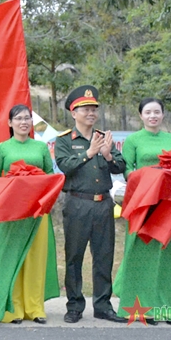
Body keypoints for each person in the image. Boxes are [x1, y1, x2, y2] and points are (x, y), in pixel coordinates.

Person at [55, 85, 126, 324]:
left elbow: (120, 166)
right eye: (85, 109)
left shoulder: (104, 138)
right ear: (73, 113)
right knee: (74, 256)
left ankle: (103, 305)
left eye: (93, 109)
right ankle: (74, 305)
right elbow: (65, 165)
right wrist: (89, 153)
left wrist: (106, 154)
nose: (91, 113)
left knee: (104, 256)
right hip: (77, 204)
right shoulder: (65, 140)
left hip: (103, 204)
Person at [0, 104, 59, 324]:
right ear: (10, 123)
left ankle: (35, 307)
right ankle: (14, 308)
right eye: (18, 119)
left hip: (37, 212)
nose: (23, 122)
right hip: (11, 212)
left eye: (27, 118)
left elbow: (49, 174)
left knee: (35, 258)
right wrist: (9, 188)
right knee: (12, 257)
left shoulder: (40, 147)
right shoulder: (1, 149)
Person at [113, 98, 171, 325]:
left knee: (163, 254)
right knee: (139, 254)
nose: (153, 116)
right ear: (141, 115)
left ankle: (163, 310)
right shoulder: (133, 140)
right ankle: (141, 309)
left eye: (157, 112)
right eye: (148, 112)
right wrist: (151, 176)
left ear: (163, 115)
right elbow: (128, 172)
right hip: (142, 203)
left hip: (166, 203)